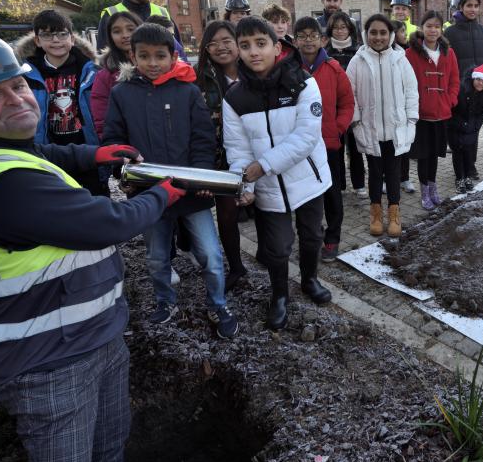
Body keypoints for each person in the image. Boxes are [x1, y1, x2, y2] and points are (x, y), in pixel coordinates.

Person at [0, 29, 184, 462]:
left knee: (110, 456)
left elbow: (41, 152)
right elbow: (108, 223)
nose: (16, 99)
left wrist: (94, 153)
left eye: (18, 85)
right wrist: (161, 195)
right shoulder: (0, 186)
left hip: (93, 335)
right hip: (49, 363)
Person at [103, 23, 239, 338]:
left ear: (172, 55)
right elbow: (113, 139)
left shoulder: (188, 91)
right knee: (155, 255)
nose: (153, 63)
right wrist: (122, 169)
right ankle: (166, 301)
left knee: (210, 253)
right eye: (144, 56)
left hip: (191, 191)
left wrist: (203, 175)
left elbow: (203, 139)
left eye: (160, 56)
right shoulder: (122, 94)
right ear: (132, 55)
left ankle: (217, 303)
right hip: (149, 193)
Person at [223, 17, 333, 330]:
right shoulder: (235, 97)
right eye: (245, 46)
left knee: (312, 235)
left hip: (309, 180)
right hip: (269, 187)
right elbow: (237, 147)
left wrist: (260, 167)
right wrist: (243, 182)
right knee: (277, 247)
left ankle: (310, 280)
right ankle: (280, 295)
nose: (253, 52)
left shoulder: (302, 82)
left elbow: (306, 137)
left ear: (277, 46)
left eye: (260, 43)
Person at [15, 9, 106, 195]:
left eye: (62, 34)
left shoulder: (91, 72)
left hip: (86, 149)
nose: (56, 40)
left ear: (72, 39)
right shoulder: (25, 75)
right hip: (47, 152)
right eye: (47, 35)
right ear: (37, 41)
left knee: (96, 199)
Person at [346, 13, 418, 237]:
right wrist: (356, 121)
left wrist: (411, 119)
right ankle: (376, 213)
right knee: (375, 173)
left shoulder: (400, 59)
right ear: (366, 35)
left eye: (383, 33)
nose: (378, 37)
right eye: (373, 32)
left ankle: (394, 214)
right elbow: (350, 95)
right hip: (370, 129)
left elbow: (411, 91)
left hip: (396, 129)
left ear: (391, 35)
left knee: (394, 173)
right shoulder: (357, 61)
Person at [292, 16, 354, 263]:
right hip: (298, 147)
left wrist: (338, 128)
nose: (308, 40)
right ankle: (310, 236)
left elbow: (347, 103)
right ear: (295, 40)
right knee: (304, 194)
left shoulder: (333, 68)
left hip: (328, 144)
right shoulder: (288, 69)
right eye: (303, 35)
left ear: (322, 39)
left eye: (313, 35)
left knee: (332, 194)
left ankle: (333, 238)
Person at [194, 20, 249, 291]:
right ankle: (236, 266)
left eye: (226, 40)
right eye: (213, 43)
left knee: (263, 209)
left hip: (257, 154)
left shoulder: (255, 70)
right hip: (220, 157)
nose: (221, 47)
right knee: (227, 214)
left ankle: (271, 255)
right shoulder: (199, 78)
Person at [405, 11, 460, 210]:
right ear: (422, 27)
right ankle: (424, 192)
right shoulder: (411, 53)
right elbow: (405, 83)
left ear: (441, 29)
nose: (433, 30)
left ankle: (434, 188)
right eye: (429, 25)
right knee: (423, 155)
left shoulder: (449, 52)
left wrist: (450, 100)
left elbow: (454, 80)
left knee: (435, 155)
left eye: (437, 26)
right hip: (421, 115)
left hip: (441, 113)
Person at [445, 0, 483, 179]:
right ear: (461, 7)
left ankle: (471, 166)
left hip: (482, 92)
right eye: (469, 5)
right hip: (459, 92)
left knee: (474, 130)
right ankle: (460, 170)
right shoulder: (450, 32)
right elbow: (445, 62)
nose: (473, 9)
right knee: (458, 130)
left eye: (476, 6)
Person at [325, 11, 365, 196]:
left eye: (343, 27)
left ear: (350, 29)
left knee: (355, 147)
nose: (340, 31)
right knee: (336, 147)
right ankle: (339, 185)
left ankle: (359, 184)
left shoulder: (359, 50)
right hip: (332, 107)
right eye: (336, 28)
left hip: (354, 105)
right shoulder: (325, 53)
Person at [91, 10, 140, 140]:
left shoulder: (159, 67)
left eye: (130, 29)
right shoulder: (104, 76)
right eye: (117, 31)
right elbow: (102, 121)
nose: (125, 35)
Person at [448, 64, 483, 192]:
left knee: (469, 153)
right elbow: (452, 110)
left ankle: (468, 176)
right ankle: (459, 178)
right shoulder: (461, 90)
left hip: (471, 128)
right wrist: (460, 124)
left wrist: (475, 127)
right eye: (478, 80)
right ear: (473, 78)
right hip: (455, 126)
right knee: (457, 153)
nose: (481, 83)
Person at [391, 19, 416, 194]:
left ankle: (405, 178)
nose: (405, 35)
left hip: (402, 107)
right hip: (386, 109)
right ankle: (387, 178)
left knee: (404, 146)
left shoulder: (405, 53)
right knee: (387, 148)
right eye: (402, 32)